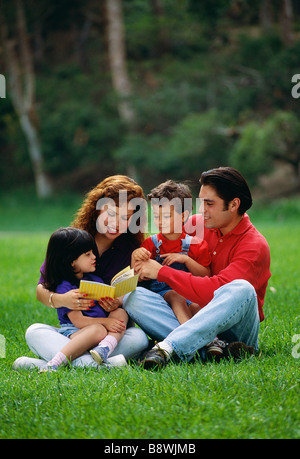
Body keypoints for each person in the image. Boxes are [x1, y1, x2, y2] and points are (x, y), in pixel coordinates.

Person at [124, 167, 271, 369]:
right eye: (200, 202)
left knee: (241, 289)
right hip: (190, 315)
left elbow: (212, 292)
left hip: (235, 330)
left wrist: (161, 271)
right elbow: (161, 237)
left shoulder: (254, 246)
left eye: (209, 204)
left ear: (234, 204)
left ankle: (168, 347)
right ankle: (208, 350)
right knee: (134, 296)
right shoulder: (195, 224)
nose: (201, 210)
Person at [13, 175, 149, 371]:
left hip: (110, 336)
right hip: (75, 332)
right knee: (34, 331)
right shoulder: (73, 241)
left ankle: (48, 364)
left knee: (139, 337)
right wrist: (62, 300)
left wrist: (117, 302)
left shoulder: (132, 250)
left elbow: (135, 296)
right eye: (110, 213)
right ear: (96, 209)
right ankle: (101, 365)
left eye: (126, 217)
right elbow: (42, 289)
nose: (116, 222)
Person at [41, 227, 128, 371]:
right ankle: (55, 363)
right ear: (71, 261)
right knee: (98, 330)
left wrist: (112, 304)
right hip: (76, 332)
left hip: (103, 331)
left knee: (121, 313)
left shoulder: (95, 279)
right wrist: (106, 322)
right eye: (88, 254)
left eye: (93, 252)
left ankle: (104, 348)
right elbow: (78, 321)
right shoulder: (66, 288)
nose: (94, 257)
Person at [131, 180, 211, 324]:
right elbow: (136, 277)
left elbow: (206, 275)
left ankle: (212, 342)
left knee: (197, 306)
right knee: (176, 296)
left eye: (167, 216)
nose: (160, 221)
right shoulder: (150, 244)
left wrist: (186, 260)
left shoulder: (196, 244)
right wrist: (135, 257)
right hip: (160, 298)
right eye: (156, 216)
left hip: (189, 294)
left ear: (183, 215)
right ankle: (188, 335)